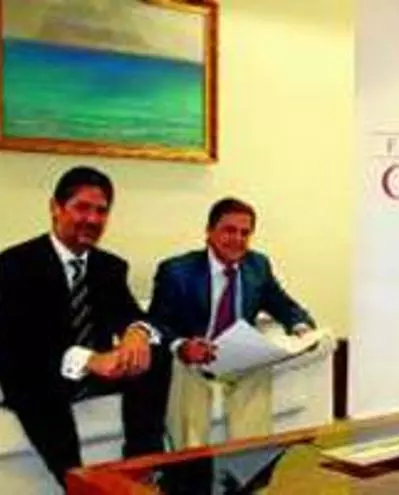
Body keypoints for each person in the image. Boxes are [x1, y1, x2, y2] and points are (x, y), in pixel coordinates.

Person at [0, 166, 170, 487]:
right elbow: (20, 344)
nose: (92, 219)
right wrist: (90, 359)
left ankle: (142, 467)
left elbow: (130, 313)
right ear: (55, 208)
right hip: (41, 373)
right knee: (35, 380)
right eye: (82, 207)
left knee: (156, 354)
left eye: (101, 211)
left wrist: (136, 331)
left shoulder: (109, 267)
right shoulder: (15, 264)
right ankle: (77, 482)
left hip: (99, 373)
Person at [150, 197, 316, 449]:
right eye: (229, 230)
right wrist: (182, 345)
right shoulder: (177, 271)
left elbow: (284, 305)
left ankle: (248, 460)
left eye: (245, 233)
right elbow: (156, 323)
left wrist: (301, 328)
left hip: (237, 357)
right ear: (209, 232)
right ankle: (191, 463)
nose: (237, 239)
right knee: (184, 370)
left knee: (259, 368)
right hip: (196, 358)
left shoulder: (257, 266)